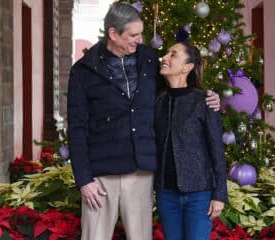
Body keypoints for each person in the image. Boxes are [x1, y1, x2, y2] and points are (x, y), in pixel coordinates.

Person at [67, 2, 220, 240]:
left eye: (141, 34)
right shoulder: (83, 70)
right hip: (100, 174)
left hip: (141, 171)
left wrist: (209, 97)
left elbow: (175, 92)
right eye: (133, 35)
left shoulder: (149, 60)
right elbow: (76, 128)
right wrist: (84, 180)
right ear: (113, 33)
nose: (140, 40)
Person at [154, 42, 228, 240]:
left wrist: (219, 194)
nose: (165, 57)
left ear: (187, 67)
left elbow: (216, 150)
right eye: (166, 53)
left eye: (173, 54)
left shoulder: (204, 100)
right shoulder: (158, 101)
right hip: (166, 193)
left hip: (199, 193)